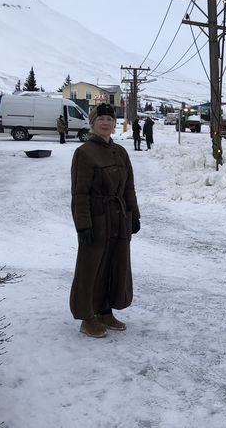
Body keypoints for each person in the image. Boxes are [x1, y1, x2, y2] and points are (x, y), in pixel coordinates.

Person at [70, 103, 141, 338]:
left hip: (119, 219)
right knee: (91, 269)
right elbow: (79, 193)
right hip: (97, 219)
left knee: (114, 266)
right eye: (101, 119)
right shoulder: (85, 152)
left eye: (110, 119)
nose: (106, 123)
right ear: (93, 123)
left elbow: (129, 187)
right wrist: (83, 225)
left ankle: (104, 311)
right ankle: (87, 317)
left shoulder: (120, 152)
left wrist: (134, 215)